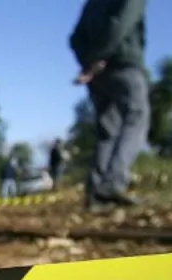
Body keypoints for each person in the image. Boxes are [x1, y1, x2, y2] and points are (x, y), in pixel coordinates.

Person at [69, 0, 149, 210]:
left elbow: (75, 39)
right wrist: (101, 55)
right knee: (137, 117)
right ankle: (114, 182)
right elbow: (122, 22)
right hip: (123, 64)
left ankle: (95, 195)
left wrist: (89, 64)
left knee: (108, 131)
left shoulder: (93, 3)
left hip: (97, 75)